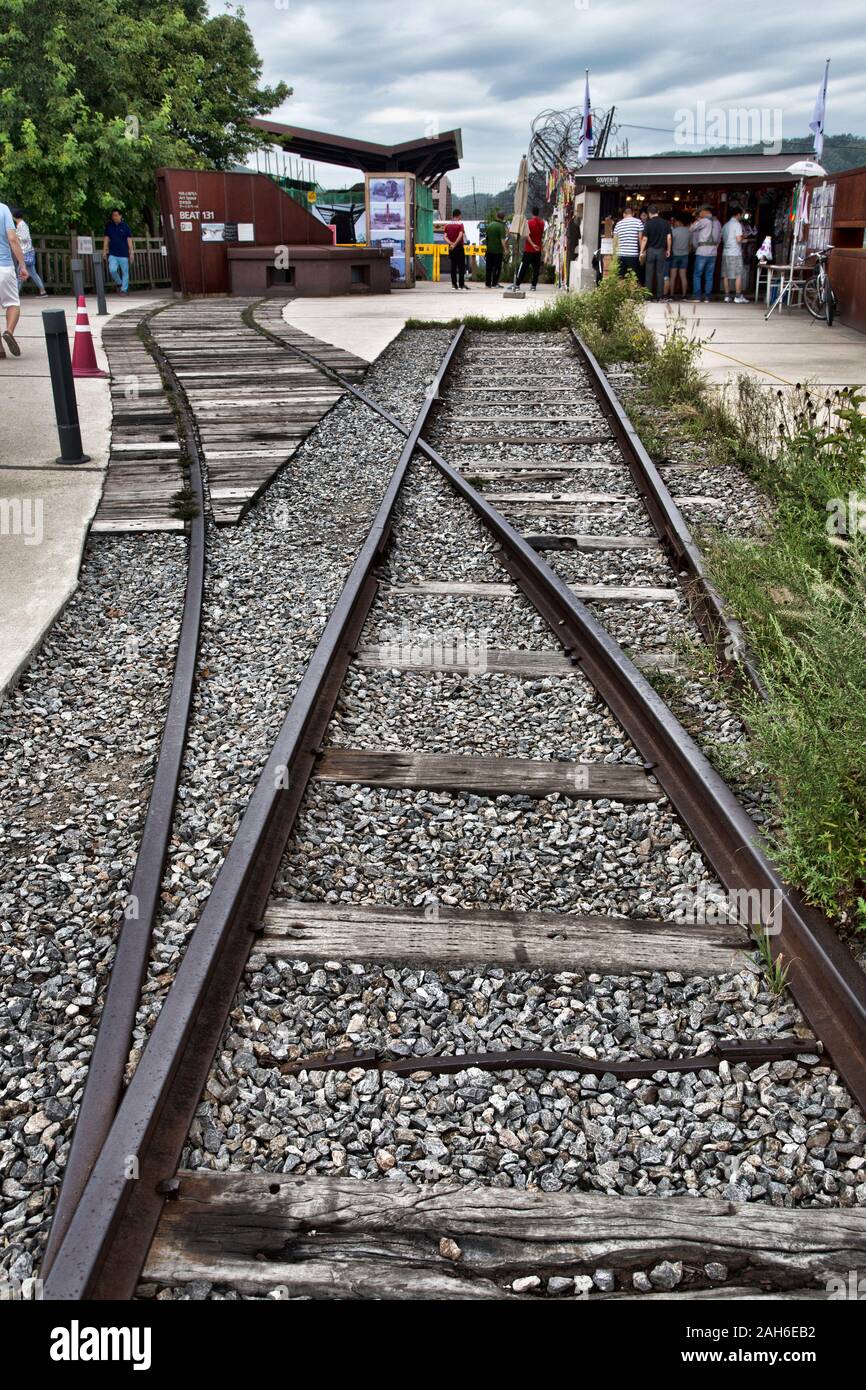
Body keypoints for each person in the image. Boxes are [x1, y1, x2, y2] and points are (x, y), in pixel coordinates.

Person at [0, 199, 29, 358]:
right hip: (3, 266)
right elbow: (12, 238)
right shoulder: (3, 209)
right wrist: (22, 265)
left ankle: (0, 349)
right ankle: (9, 331)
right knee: (12, 303)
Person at [10, 209, 47, 296]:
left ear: (14, 217)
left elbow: (25, 238)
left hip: (25, 252)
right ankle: (43, 291)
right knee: (33, 273)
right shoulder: (21, 225)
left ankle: (15, 294)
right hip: (28, 252)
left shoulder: (22, 225)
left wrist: (16, 237)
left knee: (20, 273)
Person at [690, 204, 721, 302]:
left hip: (702, 251)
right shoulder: (717, 223)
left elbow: (691, 229)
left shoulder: (703, 221)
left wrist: (697, 220)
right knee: (709, 275)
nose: (699, 214)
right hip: (713, 252)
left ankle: (697, 296)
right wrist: (715, 247)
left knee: (697, 274)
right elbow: (720, 238)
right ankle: (707, 296)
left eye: (700, 212)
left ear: (706, 211)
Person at [640, 205, 671, 301]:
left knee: (649, 274)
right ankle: (659, 296)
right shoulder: (665, 223)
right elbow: (669, 237)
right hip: (661, 250)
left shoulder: (648, 224)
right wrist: (668, 249)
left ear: (649, 213)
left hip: (650, 251)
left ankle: (648, 297)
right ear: (658, 212)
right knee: (660, 274)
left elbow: (645, 239)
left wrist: (641, 251)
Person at [721, 204, 749, 303]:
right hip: (735, 253)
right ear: (738, 214)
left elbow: (723, 238)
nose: (741, 217)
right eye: (741, 215)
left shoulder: (725, 225)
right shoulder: (737, 224)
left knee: (726, 275)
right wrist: (744, 238)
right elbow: (738, 239)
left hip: (725, 252)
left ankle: (727, 296)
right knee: (738, 275)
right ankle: (737, 296)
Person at [103, 208, 134, 294]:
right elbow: (106, 238)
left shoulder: (125, 226)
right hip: (113, 253)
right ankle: (119, 283)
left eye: (116, 215)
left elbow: (129, 240)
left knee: (125, 272)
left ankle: (124, 289)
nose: (114, 217)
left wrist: (131, 252)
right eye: (113, 215)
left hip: (123, 254)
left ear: (120, 216)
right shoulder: (109, 227)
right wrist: (104, 251)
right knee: (112, 270)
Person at [517, 206, 545, 290]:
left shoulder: (529, 223)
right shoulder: (542, 223)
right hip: (538, 250)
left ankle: (517, 284)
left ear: (532, 212)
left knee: (523, 268)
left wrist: (532, 244)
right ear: (538, 213)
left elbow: (526, 235)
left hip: (529, 250)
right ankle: (533, 285)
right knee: (536, 269)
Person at [613, 205, 642, 279]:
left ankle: (621, 290)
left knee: (621, 277)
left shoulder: (618, 224)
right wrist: (642, 252)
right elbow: (640, 239)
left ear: (624, 214)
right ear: (633, 213)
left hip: (621, 254)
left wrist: (614, 254)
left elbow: (615, 241)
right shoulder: (638, 222)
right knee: (632, 278)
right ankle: (631, 290)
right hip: (633, 254)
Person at [668, 212, 691, 300]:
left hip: (675, 255)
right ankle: (684, 295)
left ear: (679, 222)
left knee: (673, 276)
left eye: (675, 221)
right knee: (683, 276)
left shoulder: (674, 231)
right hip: (685, 255)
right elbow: (690, 245)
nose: (674, 223)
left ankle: (671, 295)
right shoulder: (688, 231)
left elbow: (670, 243)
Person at [444, 209, 468, 290]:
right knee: (461, 267)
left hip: (451, 247)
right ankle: (461, 285)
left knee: (453, 266)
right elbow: (460, 235)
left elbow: (444, 236)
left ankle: (454, 285)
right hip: (459, 247)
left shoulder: (447, 224)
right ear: (458, 215)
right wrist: (455, 243)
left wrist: (451, 243)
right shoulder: (460, 224)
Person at [484, 210, 506, 287]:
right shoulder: (501, 227)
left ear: (496, 216)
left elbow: (486, 238)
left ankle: (487, 283)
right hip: (498, 251)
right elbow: (502, 240)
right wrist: (506, 250)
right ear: (503, 218)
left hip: (489, 250)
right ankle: (494, 283)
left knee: (489, 267)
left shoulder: (490, 225)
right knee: (496, 268)